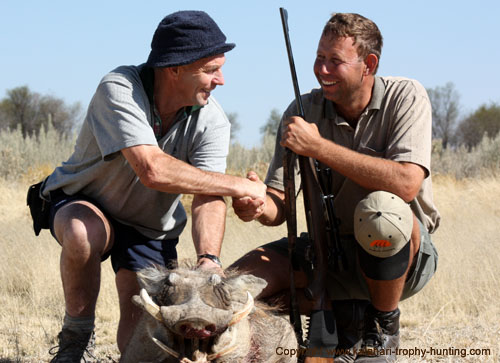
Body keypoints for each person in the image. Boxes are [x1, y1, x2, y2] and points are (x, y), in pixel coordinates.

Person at [36, 10, 266, 362]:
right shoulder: (119, 87)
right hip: (85, 202)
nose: (221, 80)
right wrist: (239, 185)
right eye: (210, 69)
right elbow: (152, 170)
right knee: (84, 232)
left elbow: (208, 194)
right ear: (174, 68)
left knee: (138, 347)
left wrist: (209, 259)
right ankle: (74, 345)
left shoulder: (212, 119)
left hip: (148, 228)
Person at [231, 12, 440, 362]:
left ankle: (382, 327)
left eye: (335, 61)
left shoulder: (407, 95)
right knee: (233, 286)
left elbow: (406, 184)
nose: (322, 69)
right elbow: (278, 203)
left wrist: (319, 148)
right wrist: (256, 206)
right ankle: (336, 324)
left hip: (398, 255)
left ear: (368, 64)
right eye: (319, 58)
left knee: (381, 213)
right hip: (324, 253)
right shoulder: (301, 110)